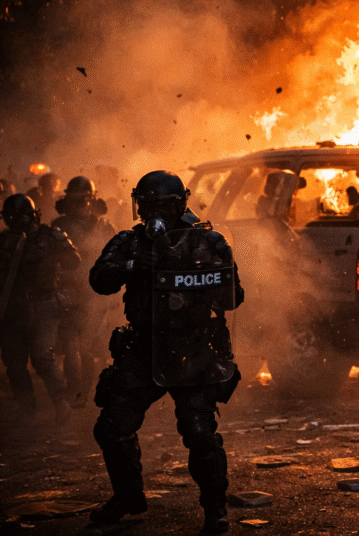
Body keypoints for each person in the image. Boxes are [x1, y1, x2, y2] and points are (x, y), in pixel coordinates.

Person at [88, 171, 244, 534]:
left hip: (192, 350)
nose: (156, 213)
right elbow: (98, 278)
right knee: (112, 427)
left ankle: (215, 508)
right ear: (139, 205)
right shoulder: (131, 242)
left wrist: (199, 273)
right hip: (145, 349)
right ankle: (128, 498)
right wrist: (132, 268)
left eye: (164, 206)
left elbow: (234, 298)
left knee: (200, 432)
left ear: (181, 205)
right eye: (149, 205)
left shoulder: (207, 242)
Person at [0, 193, 80, 424]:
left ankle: (61, 402)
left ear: (33, 215)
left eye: (22, 215)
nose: (18, 220)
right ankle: (26, 409)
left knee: (42, 357)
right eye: (13, 216)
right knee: (14, 364)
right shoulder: (4, 241)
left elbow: (73, 263)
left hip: (44, 305)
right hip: (13, 309)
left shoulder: (50, 236)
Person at [52, 176, 117, 406]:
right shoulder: (59, 226)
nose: (81, 205)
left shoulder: (104, 226)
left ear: (92, 200)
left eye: (85, 200)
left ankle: (83, 393)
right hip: (69, 292)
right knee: (70, 346)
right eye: (76, 200)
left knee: (85, 348)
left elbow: (116, 258)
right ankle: (74, 392)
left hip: (94, 294)